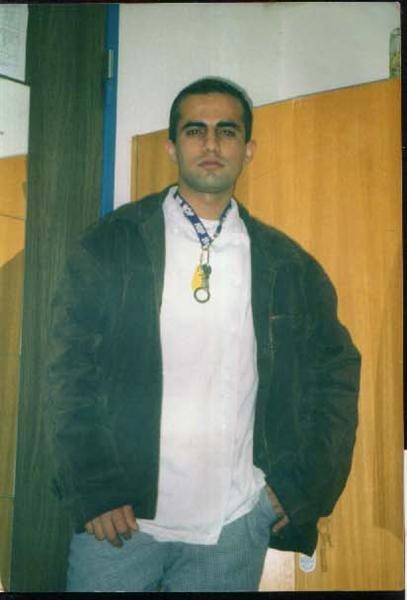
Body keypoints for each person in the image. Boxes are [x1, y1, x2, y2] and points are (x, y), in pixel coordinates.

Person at [46, 77, 361, 592]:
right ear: (172, 147)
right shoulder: (112, 245)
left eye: (226, 131)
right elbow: (68, 371)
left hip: (233, 529)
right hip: (121, 526)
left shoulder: (287, 265)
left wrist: (303, 487)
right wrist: (94, 488)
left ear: (248, 150)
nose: (211, 143)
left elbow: (336, 373)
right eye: (195, 130)